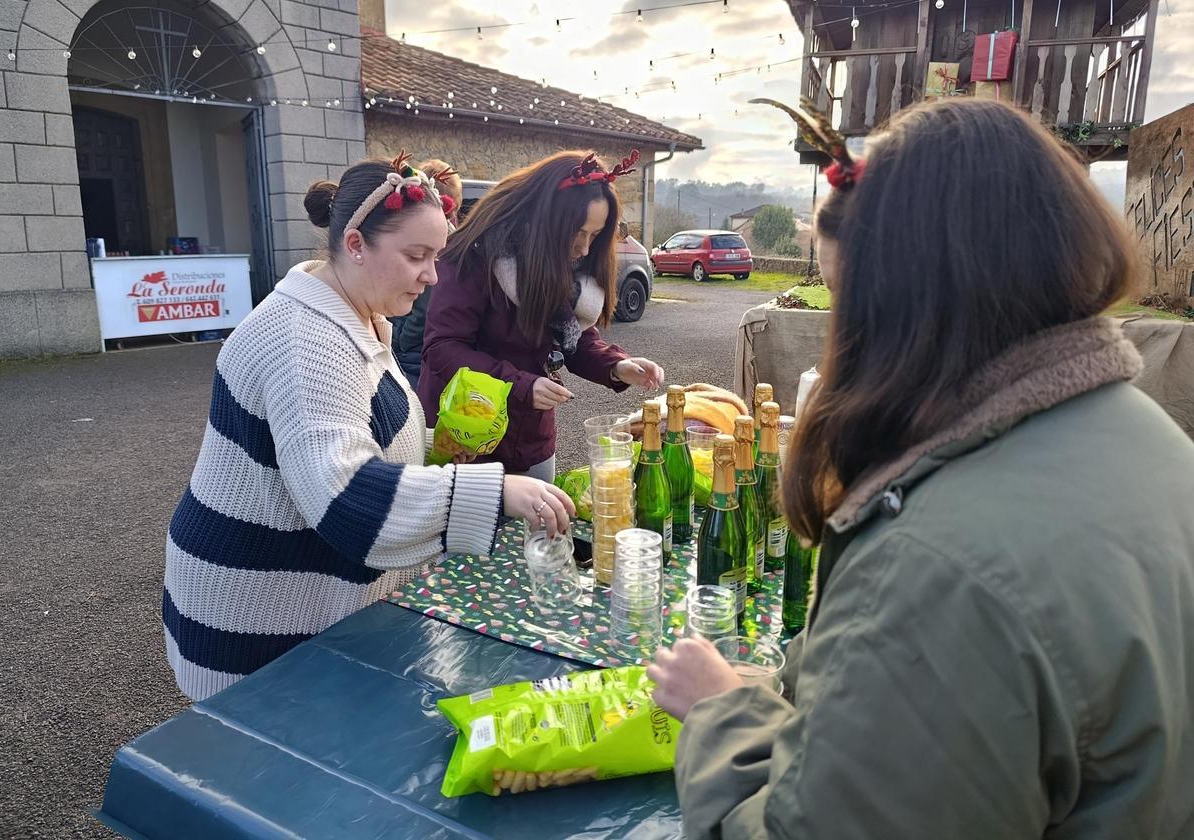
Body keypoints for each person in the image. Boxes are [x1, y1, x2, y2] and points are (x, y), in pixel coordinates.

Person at [648, 100, 1194, 838]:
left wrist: (724, 714)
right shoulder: (1151, 438)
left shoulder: (933, 575)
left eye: (846, 301)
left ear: (904, 308)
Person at [163, 155, 573, 701]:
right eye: (416, 256)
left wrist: (436, 452)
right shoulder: (305, 344)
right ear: (356, 244)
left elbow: (356, 437)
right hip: (254, 623)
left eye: (436, 257)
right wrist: (495, 490)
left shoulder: (357, 313)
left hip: (303, 597)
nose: (432, 276)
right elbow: (345, 497)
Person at [418, 149, 664, 481]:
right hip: (466, 438)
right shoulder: (475, 255)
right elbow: (443, 349)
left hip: (531, 438)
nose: (585, 248)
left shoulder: (557, 258)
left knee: (542, 515)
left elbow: (571, 334)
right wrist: (521, 385)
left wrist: (616, 366)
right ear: (546, 219)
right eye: (578, 232)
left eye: (595, 236)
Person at [390, 158, 463, 388]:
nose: (431, 275)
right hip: (417, 345)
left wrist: (401, 341)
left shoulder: (444, 240)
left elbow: (423, 307)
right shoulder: (444, 239)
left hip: (415, 347)